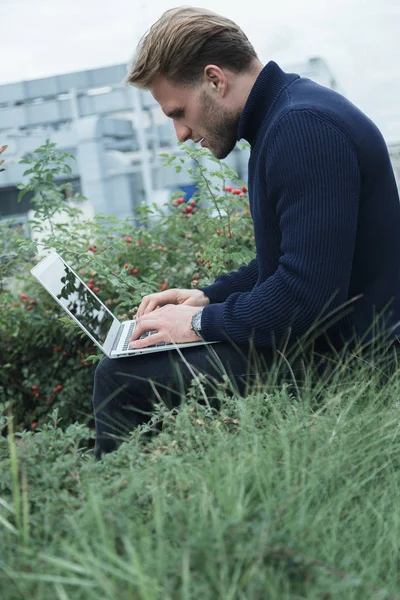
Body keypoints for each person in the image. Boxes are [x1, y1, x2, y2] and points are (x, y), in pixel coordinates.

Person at [92, 7, 400, 458]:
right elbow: (291, 260)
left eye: (178, 112)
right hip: (332, 344)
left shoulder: (302, 129)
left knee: (121, 377)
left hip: (353, 363)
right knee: (131, 362)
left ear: (215, 79)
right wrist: (207, 297)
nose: (179, 133)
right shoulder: (287, 116)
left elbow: (304, 299)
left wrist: (195, 325)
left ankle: (122, 515)